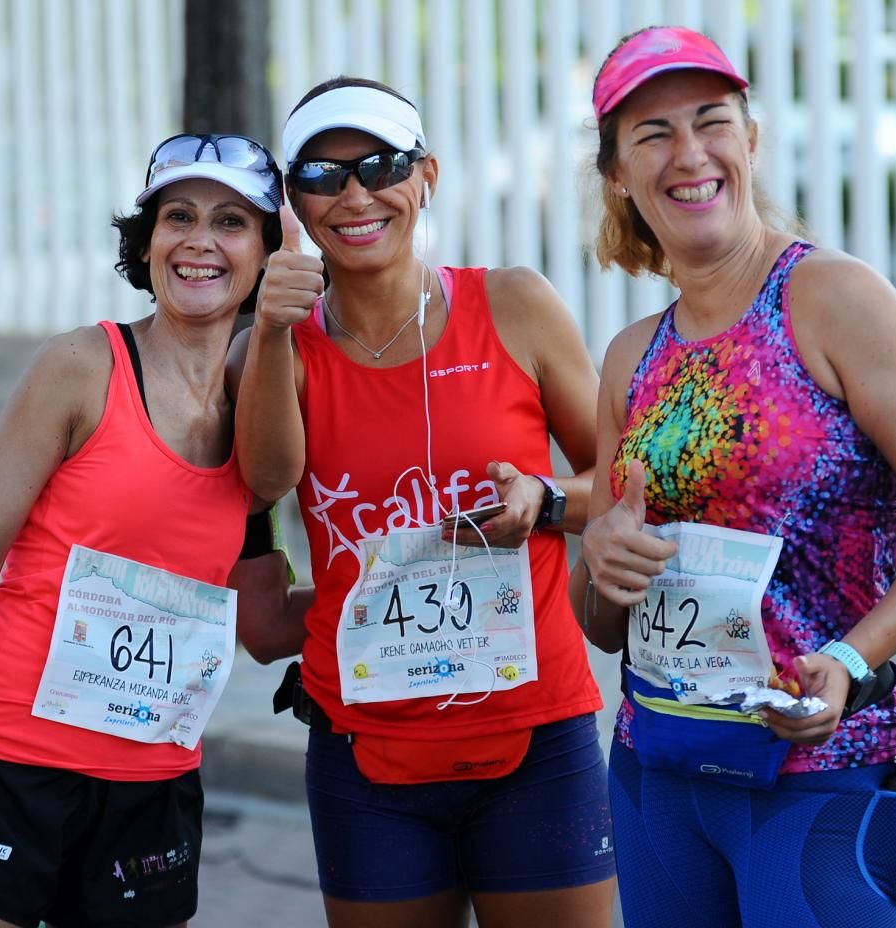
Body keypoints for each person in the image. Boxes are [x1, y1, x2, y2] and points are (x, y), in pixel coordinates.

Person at [572, 25, 896, 928]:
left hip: (816, 776)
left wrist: (851, 660)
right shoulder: (627, 359)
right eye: (653, 134)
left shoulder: (833, 298)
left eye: (710, 120)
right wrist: (599, 562)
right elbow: (603, 622)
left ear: (750, 139)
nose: (690, 154)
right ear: (616, 171)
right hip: (657, 769)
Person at [0, 133, 309, 928]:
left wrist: (399, 583)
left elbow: (265, 617)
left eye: (231, 222)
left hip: (152, 782)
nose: (200, 242)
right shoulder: (82, 366)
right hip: (7, 760)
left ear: (267, 253)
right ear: (146, 242)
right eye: (178, 216)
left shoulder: (262, 399)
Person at [231, 77, 615, 928]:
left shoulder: (512, 304)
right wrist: (265, 331)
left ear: (427, 176)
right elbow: (263, 479)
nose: (355, 194)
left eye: (380, 164)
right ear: (292, 202)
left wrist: (549, 501)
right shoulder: (278, 348)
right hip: (366, 756)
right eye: (323, 177)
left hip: (535, 734)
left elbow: (621, 485)